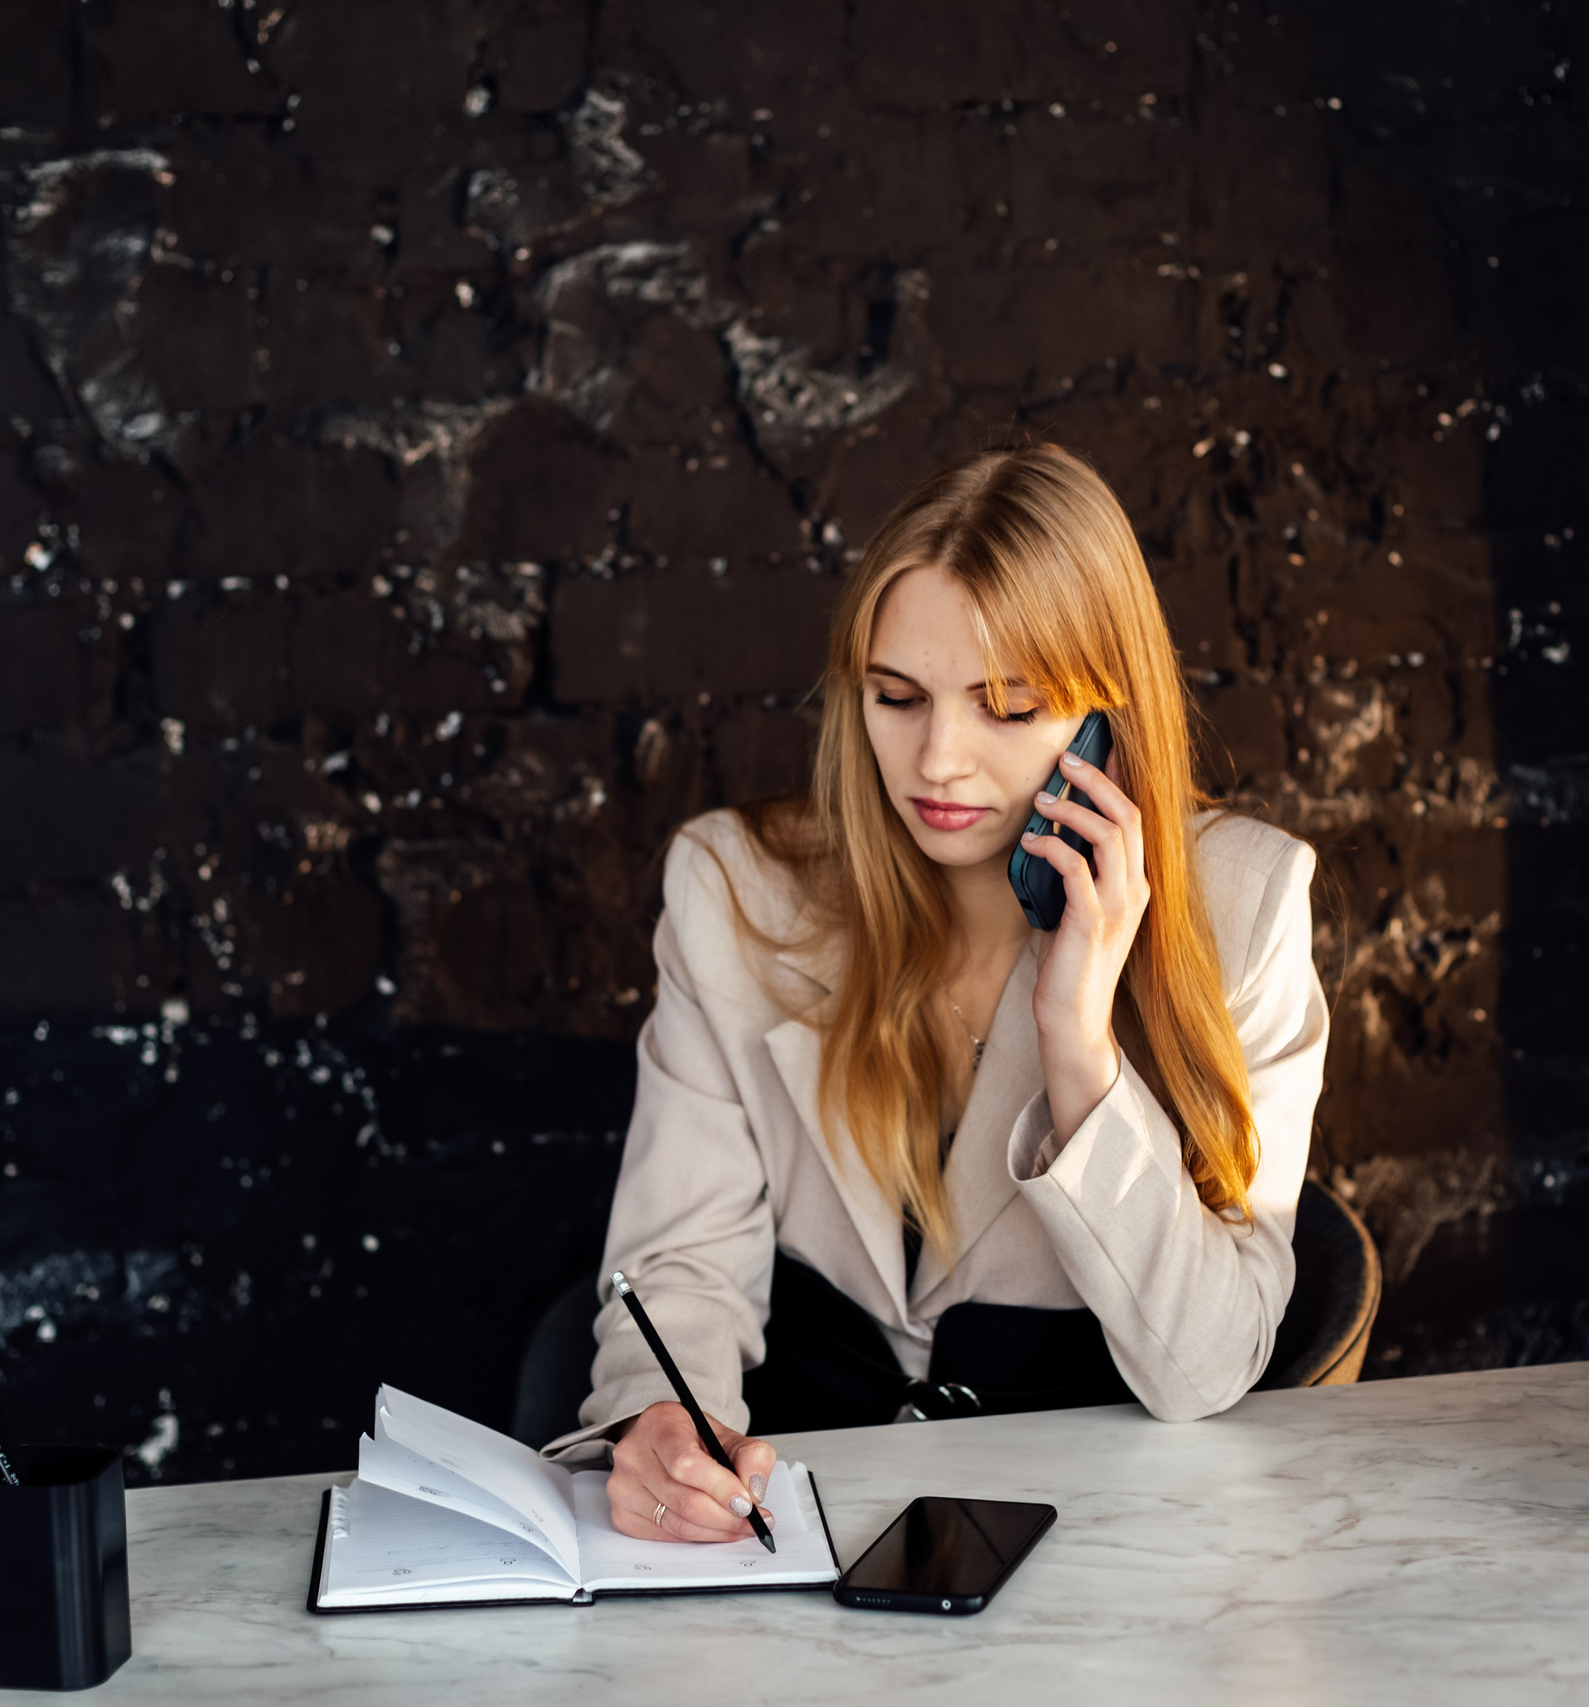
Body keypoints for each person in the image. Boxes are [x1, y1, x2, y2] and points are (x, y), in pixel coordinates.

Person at [541, 443, 1330, 1546]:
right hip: (792, 1532)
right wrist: (666, 1418)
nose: (938, 762)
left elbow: (1203, 1367)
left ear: (1110, 718)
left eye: (1009, 708)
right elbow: (683, 1263)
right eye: (897, 697)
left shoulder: (1246, 906)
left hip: (1106, 1552)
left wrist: (1078, 1044)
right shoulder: (733, 889)